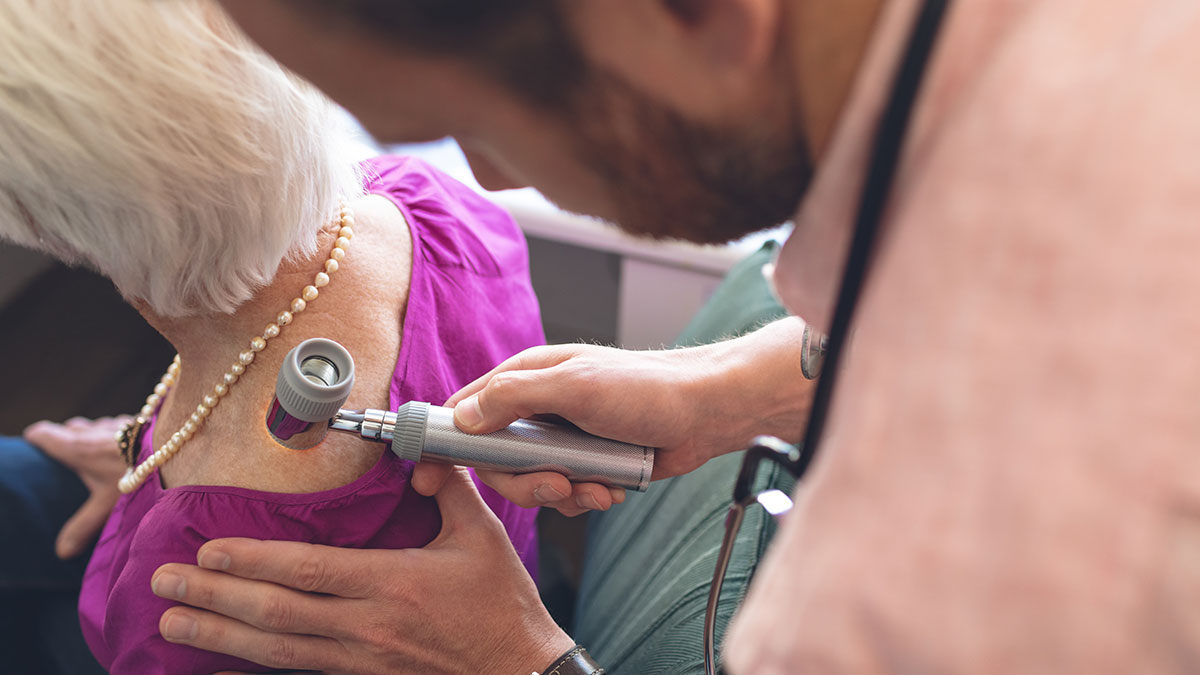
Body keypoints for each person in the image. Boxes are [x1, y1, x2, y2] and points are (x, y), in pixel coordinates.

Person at [39, 0, 1200, 672]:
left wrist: (524, 667)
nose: (480, 181)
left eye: (466, 123)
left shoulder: (936, 602)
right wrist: (736, 390)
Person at [0, 0, 560, 672]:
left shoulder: (190, 581)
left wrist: (166, 485)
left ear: (44, 211)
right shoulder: (440, 203)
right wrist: (149, 448)